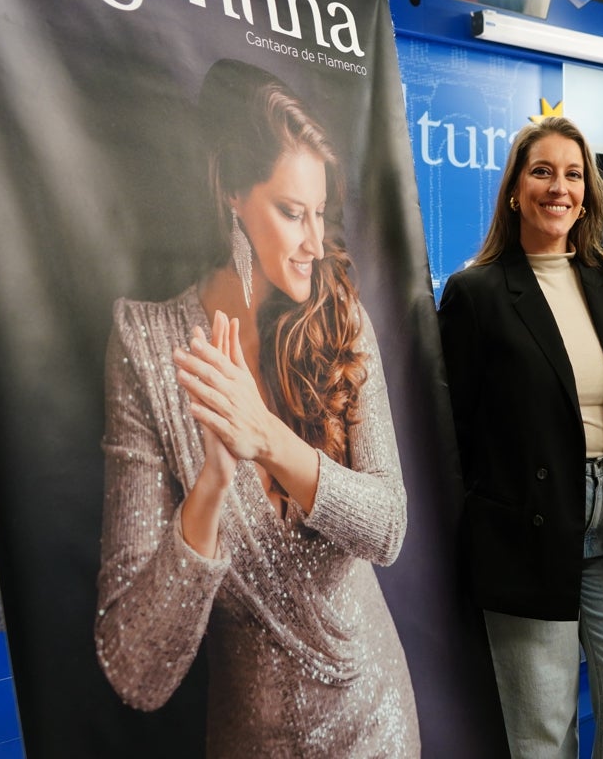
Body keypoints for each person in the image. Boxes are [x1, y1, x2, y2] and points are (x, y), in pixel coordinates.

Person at [94, 59, 419, 757]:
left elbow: (389, 527)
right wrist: (210, 486)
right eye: (291, 212)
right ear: (233, 194)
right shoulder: (146, 344)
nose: (312, 241)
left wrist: (267, 437)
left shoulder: (340, 317)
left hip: (377, 719)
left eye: (320, 214)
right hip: (252, 738)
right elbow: (136, 671)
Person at [437, 117, 603, 758]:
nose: (559, 187)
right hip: (524, 530)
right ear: (515, 189)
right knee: (543, 731)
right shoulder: (475, 293)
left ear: (588, 192)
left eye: (573, 174)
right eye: (542, 171)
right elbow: (453, 435)